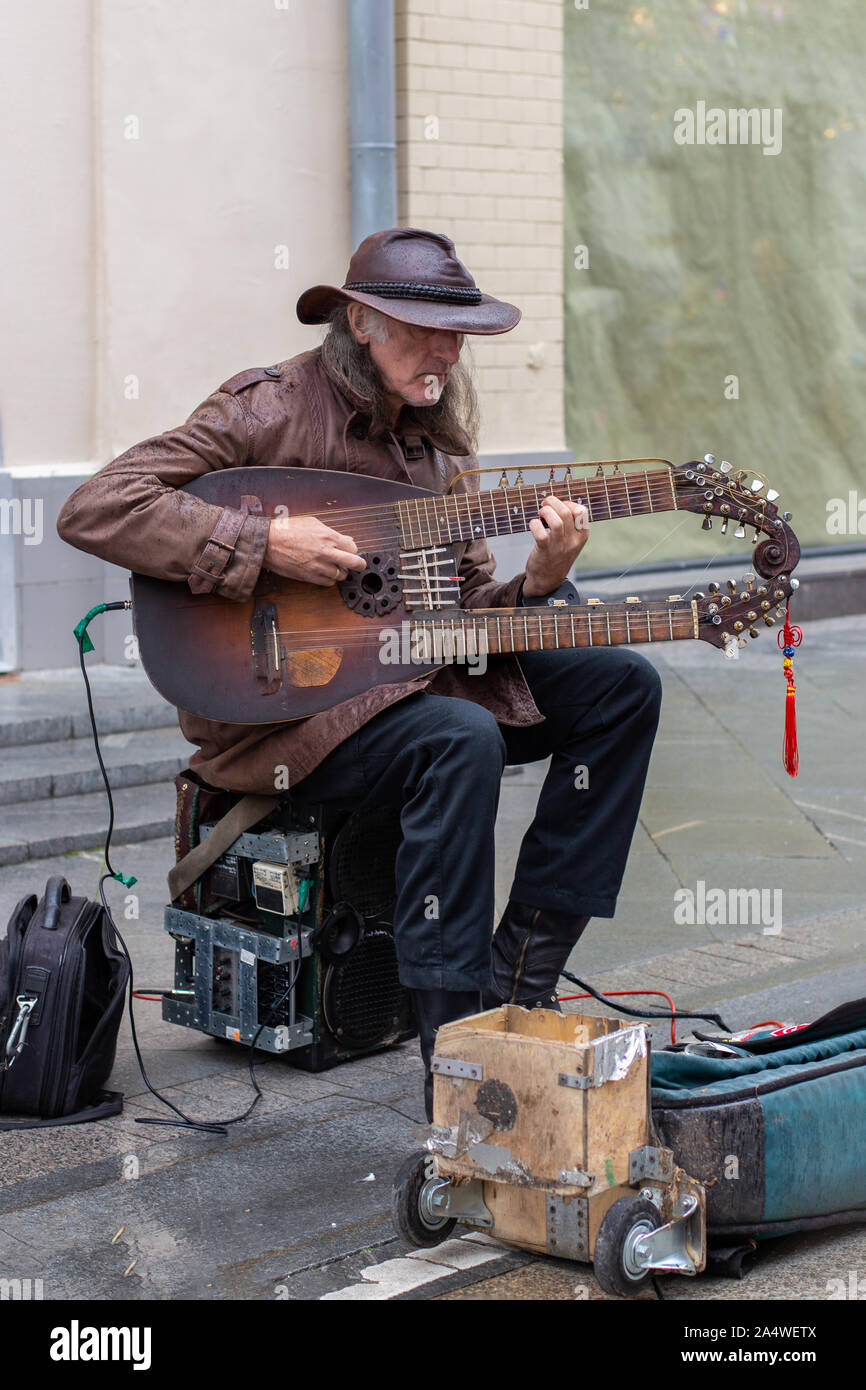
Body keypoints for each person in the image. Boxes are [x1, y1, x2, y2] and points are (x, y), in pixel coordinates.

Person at [57, 228, 662, 1120]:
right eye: (425, 332)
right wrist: (267, 544)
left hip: (404, 684)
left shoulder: (437, 453)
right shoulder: (267, 410)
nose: (447, 355)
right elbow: (96, 506)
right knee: (462, 737)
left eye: (459, 337)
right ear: (363, 323)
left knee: (623, 682)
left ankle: (520, 978)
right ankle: (460, 1069)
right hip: (279, 720)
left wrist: (536, 583)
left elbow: (454, 622)